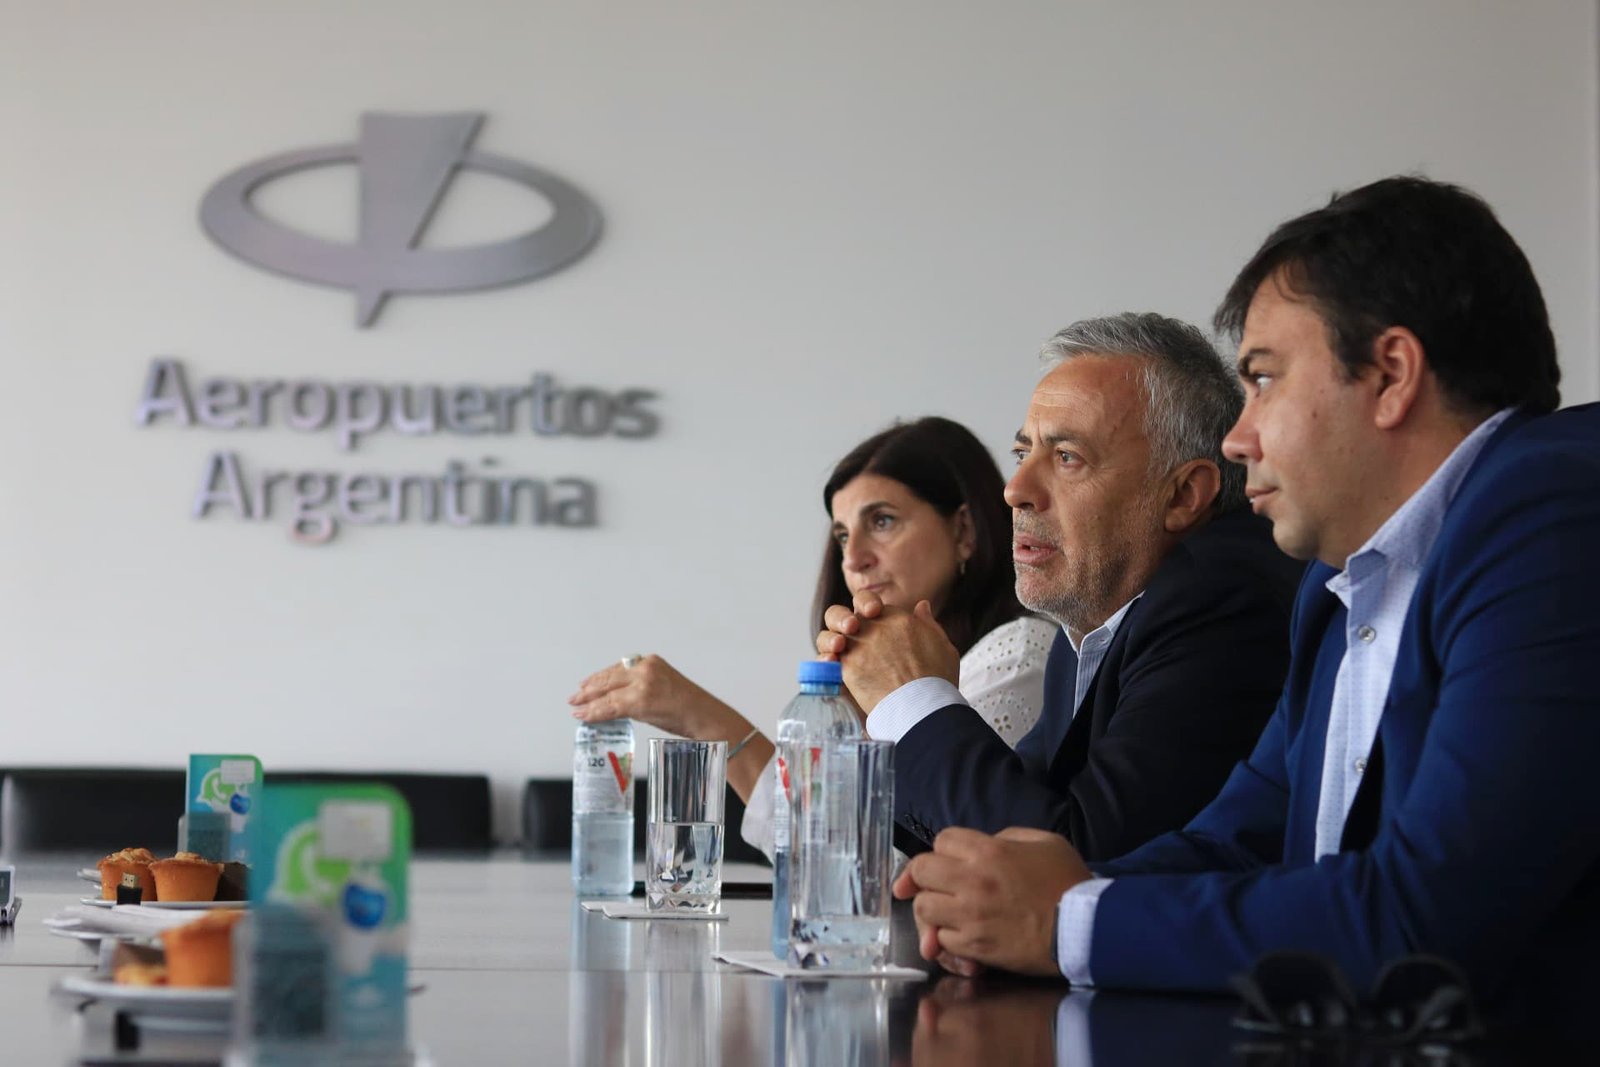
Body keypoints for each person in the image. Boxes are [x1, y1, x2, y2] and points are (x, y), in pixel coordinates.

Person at [885, 176, 1600, 1029]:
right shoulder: (1337, 588)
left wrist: (1067, 922)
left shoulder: (1552, 510)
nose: (1237, 436)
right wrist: (1014, 902)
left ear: (1391, 375)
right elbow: (1234, 839)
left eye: (1263, 379)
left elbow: (1430, 915)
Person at [818, 313, 1304, 861]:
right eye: (1023, 453)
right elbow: (1025, 813)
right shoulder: (1092, 626)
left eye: (1067, 457)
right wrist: (882, 712)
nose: (1015, 490)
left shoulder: (1221, 604)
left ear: (1183, 494)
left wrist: (914, 696)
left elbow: (1072, 864)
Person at [568, 416, 1058, 853]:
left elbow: (883, 868)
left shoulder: (1018, 652)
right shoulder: (873, 677)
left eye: (882, 521)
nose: (854, 558)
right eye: (843, 534)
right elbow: (816, 846)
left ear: (964, 531)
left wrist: (706, 720)